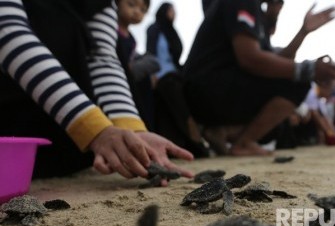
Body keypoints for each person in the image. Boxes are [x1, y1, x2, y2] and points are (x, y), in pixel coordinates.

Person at [0, 0, 193, 183]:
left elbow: (102, 57)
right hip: (15, 122)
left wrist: (130, 130)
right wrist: (94, 128)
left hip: (70, 133)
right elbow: (8, 32)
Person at [183, 0, 335, 156]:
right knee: (298, 83)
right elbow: (250, 59)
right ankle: (243, 143)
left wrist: (303, 32)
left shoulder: (258, 17)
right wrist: (308, 69)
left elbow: (276, 61)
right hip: (207, 89)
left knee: (280, 115)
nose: (280, 5)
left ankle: (221, 131)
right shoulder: (243, 3)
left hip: (211, 89)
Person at [146, 2, 209, 158]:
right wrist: (152, 75)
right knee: (171, 100)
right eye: (171, 10)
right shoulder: (154, 29)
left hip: (176, 73)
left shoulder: (172, 32)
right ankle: (193, 136)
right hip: (160, 74)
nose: (174, 13)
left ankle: (187, 142)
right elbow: (151, 51)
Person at [116, 0, 159, 132]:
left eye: (143, 10)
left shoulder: (132, 39)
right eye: (131, 5)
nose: (137, 12)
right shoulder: (111, 30)